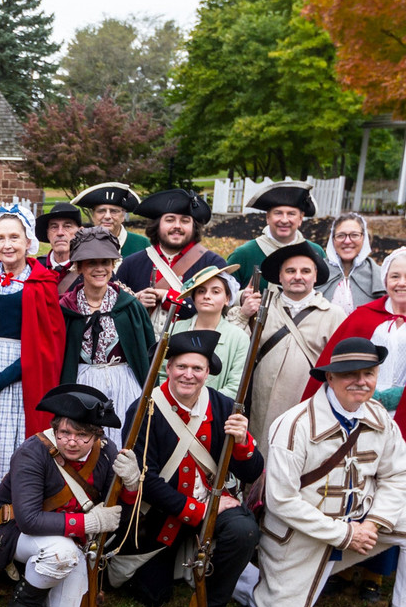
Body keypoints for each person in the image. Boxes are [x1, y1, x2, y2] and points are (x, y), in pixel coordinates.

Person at [107, 330, 263, 607]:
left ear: (207, 372)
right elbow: (146, 480)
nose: (188, 375)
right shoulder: (145, 409)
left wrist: (243, 442)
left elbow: (252, 471)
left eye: (197, 368)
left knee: (243, 530)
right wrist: (199, 512)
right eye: (181, 366)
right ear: (168, 368)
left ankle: (214, 605)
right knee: (152, 595)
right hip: (162, 514)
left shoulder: (223, 406)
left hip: (213, 502)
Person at [246, 337, 406, 607]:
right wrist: (345, 534)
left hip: (360, 521)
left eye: (369, 373)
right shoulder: (294, 424)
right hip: (301, 535)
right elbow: (282, 501)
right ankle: (242, 577)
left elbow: (398, 474)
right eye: (350, 374)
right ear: (330, 377)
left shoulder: (379, 417)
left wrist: (371, 524)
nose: (361, 381)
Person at [0, 384, 121, 607]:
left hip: (72, 538)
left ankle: (41, 576)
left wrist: (132, 483)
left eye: (82, 435)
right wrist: (89, 523)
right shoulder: (32, 452)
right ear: (55, 428)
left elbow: (115, 508)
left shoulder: (106, 451)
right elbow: (28, 520)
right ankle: (24, 604)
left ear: (97, 435)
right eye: (64, 433)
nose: (71, 442)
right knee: (62, 553)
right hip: (17, 533)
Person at [0, 205, 65, 491]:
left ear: (28, 241)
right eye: (1, 237)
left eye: (14, 237)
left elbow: (44, 345)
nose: (7, 245)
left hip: (16, 381)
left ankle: (4, 504)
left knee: (7, 444)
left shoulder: (41, 283)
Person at [232, 243, 345, 449]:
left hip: (309, 401)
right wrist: (243, 314)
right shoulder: (261, 307)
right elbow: (236, 349)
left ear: (315, 276)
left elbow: (340, 366)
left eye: (305, 271)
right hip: (262, 401)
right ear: (280, 276)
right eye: (290, 271)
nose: (298, 276)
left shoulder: (334, 314)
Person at [59, 227, 154, 448]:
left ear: (113, 265)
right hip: (83, 385)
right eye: (92, 262)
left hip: (124, 384)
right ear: (79, 267)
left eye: (105, 262)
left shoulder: (129, 306)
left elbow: (147, 352)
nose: (100, 268)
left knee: (125, 444)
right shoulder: (66, 308)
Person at [306, 246, 406, 437]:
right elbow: (333, 364)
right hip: (359, 406)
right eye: (395, 276)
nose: (401, 283)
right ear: (385, 279)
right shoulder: (364, 316)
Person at [114, 188, 227, 337]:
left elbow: (219, 309)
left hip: (194, 347)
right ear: (157, 225)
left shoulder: (213, 264)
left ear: (194, 227)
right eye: (170, 220)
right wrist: (136, 302)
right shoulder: (131, 264)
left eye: (185, 221)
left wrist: (167, 296)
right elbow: (114, 311)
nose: (177, 226)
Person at [161, 264, 248, 400]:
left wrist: (201, 404)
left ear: (227, 298)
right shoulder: (176, 328)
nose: (207, 296)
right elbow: (162, 373)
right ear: (194, 297)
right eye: (201, 291)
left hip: (216, 408)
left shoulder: (238, 337)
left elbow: (235, 387)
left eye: (215, 292)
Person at [227, 180, 325, 290]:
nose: (284, 220)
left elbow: (324, 292)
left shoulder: (316, 252)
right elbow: (223, 294)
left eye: (291, 214)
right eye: (278, 213)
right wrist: (242, 297)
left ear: (300, 219)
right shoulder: (243, 255)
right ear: (268, 217)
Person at [318, 212, 384, 314]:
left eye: (354, 235)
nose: (347, 241)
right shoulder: (317, 271)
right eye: (341, 235)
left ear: (364, 238)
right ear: (332, 239)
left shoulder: (379, 275)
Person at [71, 182, 150, 258]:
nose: (107, 216)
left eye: (113, 211)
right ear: (93, 216)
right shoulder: (82, 244)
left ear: (123, 216)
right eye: (101, 211)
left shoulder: (142, 244)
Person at [35, 202, 83, 294]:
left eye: (67, 226)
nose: (60, 233)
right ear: (47, 233)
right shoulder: (35, 268)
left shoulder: (90, 270)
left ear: (80, 232)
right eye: (54, 227)